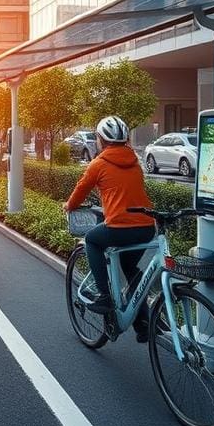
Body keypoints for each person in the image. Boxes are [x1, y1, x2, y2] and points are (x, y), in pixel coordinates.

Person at [62, 116, 155, 341]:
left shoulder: (99, 163)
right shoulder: (135, 161)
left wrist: (69, 206)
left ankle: (104, 295)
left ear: (101, 140)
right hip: (146, 226)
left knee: (93, 240)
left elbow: (81, 190)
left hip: (119, 226)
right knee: (130, 267)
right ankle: (143, 322)